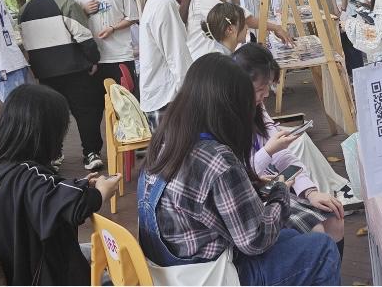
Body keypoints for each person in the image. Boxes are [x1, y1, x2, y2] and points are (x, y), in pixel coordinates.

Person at [137, 54, 342, 285]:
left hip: (167, 272)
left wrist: (252, 183)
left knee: (292, 237)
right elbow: (255, 240)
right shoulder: (217, 159)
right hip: (210, 276)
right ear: (228, 106)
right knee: (321, 249)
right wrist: (280, 191)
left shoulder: (164, 141)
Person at [0, 85, 120, 285]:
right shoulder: (29, 174)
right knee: (119, 265)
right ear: (44, 133)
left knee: (92, 251)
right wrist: (102, 192)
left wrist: (79, 185)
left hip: (17, 273)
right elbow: (77, 206)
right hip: (40, 276)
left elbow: (48, 194)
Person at [231, 43, 347, 248]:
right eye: (260, 89)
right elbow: (238, 178)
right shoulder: (224, 119)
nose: (266, 95)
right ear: (238, 85)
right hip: (250, 199)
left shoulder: (256, 108)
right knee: (316, 233)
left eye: (268, 86)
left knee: (335, 219)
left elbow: (284, 157)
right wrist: (268, 151)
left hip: (272, 187)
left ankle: (330, 267)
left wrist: (310, 192)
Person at [18, 0, 105, 171]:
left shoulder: (24, 11)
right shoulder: (66, 4)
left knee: (52, 115)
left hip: (45, 73)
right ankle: (91, 153)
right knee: (86, 111)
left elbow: (27, 45)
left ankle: (54, 155)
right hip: (74, 69)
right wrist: (93, 59)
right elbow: (84, 37)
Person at [132, 0, 193, 127]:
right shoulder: (164, 3)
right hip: (167, 100)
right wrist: (192, 96)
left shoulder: (156, 0)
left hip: (160, 99)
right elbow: (178, 56)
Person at [72, 0, 141, 99]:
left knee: (126, 103)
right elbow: (74, 23)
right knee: (98, 104)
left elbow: (132, 17)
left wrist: (113, 28)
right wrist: (83, 11)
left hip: (120, 56)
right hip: (93, 59)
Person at [314, 0, 365, 72]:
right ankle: (351, 71)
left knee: (352, 44)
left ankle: (358, 71)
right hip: (342, 12)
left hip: (350, 10)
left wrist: (343, 11)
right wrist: (336, 11)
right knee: (345, 44)